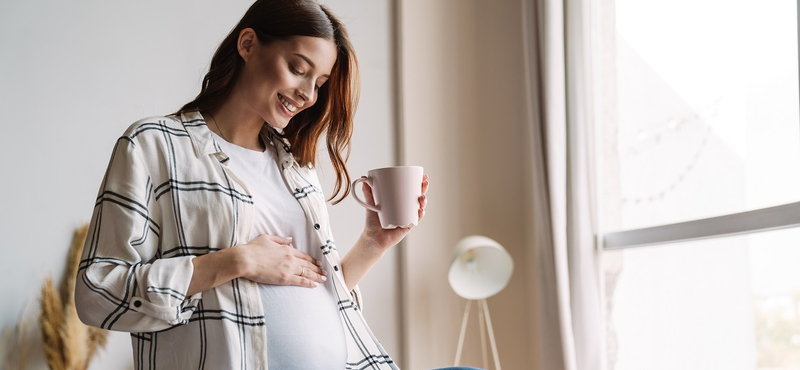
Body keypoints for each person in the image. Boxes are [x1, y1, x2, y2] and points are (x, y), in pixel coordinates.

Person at [74, 1, 434, 369]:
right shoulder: (154, 145)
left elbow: (318, 292)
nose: (308, 94)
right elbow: (98, 294)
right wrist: (237, 261)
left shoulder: (296, 168)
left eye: (320, 83)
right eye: (298, 69)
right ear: (248, 44)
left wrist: (374, 243)